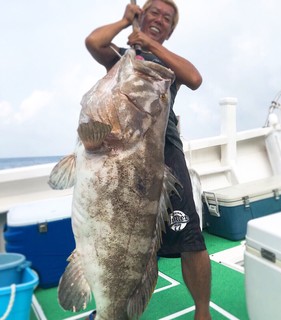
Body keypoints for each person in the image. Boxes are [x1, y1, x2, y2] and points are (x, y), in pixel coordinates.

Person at [85, 1, 212, 319]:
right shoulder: (121, 61)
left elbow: (194, 78)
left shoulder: (167, 65)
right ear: (141, 16)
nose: (160, 18)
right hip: (120, 151)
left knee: (189, 236)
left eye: (167, 19)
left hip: (164, 156)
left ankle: (202, 311)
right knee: (124, 236)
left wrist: (149, 42)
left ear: (170, 31)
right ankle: (118, 307)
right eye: (153, 12)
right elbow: (94, 42)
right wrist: (124, 21)